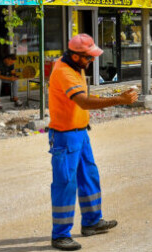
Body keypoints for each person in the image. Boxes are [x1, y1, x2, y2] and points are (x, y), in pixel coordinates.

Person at [47, 34, 138, 250]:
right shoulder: (64, 71)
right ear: (76, 56)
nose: (92, 60)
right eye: (89, 57)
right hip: (65, 136)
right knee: (65, 184)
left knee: (89, 176)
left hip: (80, 133)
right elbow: (84, 102)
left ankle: (92, 221)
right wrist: (120, 100)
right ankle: (60, 235)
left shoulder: (76, 67)